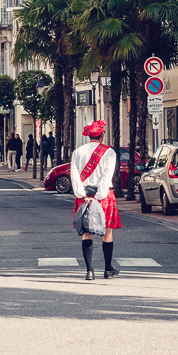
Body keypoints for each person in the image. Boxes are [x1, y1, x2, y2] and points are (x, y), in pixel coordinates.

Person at [71, 119, 121, 281]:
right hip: (105, 196)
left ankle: (89, 271)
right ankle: (107, 269)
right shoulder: (109, 152)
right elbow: (106, 177)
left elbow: (75, 177)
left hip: (84, 196)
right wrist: (99, 196)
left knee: (87, 233)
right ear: (102, 135)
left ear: (89, 135)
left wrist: (82, 195)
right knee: (107, 233)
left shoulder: (77, 152)